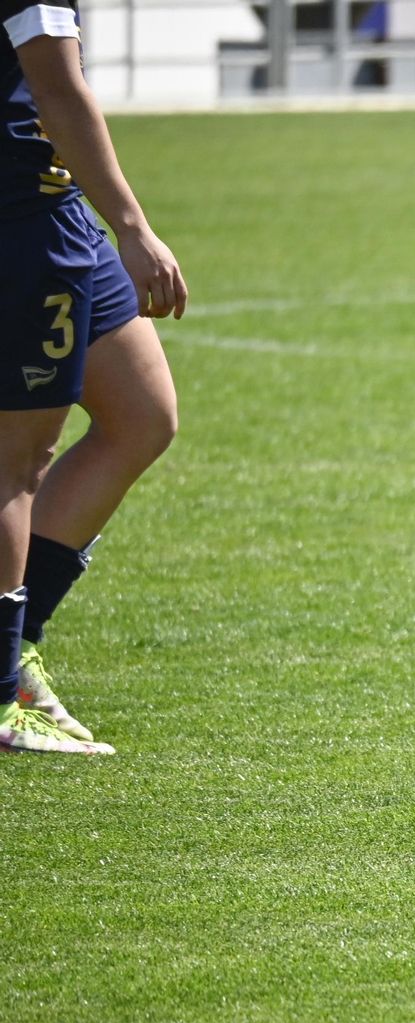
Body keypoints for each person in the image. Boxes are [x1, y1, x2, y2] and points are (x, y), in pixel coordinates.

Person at [0, 0, 185, 754]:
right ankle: (0, 697)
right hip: (22, 218)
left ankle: (18, 648)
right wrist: (134, 227)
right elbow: (57, 87)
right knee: (16, 464)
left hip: (61, 205)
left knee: (142, 415)